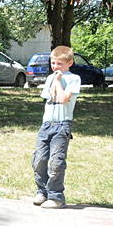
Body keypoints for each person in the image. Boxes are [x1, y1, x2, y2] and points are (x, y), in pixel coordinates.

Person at [32, 45, 81, 209]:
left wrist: (59, 81)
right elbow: (49, 97)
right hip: (47, 124)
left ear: (70, 63)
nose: (55, 67)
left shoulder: (74, 79)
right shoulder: (49, 78)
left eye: (59, 63)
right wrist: (54, 80)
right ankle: (42, 192)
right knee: (39, 160)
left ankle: (56, 197)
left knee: (56, 162)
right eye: (53, 63)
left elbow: (63, 99)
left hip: (62, 125)